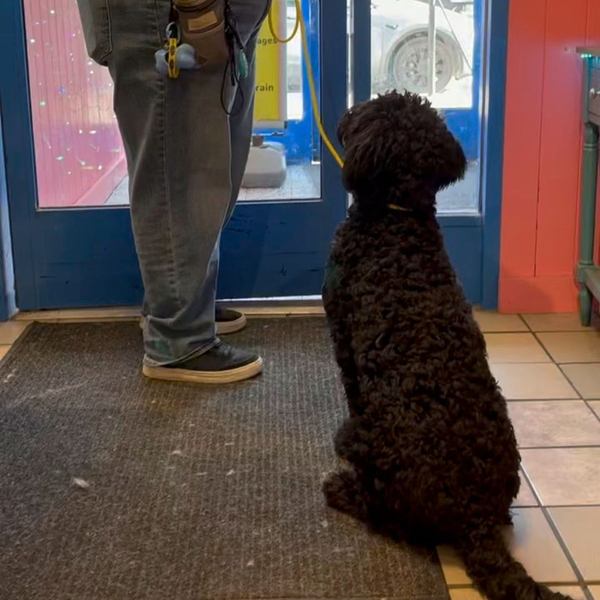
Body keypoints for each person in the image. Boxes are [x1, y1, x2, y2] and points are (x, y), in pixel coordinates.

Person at [77, 0, 270, 384]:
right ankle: (177, 337)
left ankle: (180, 303)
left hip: (215, 13)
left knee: (207, 158)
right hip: (171, 9)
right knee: (178, 164)